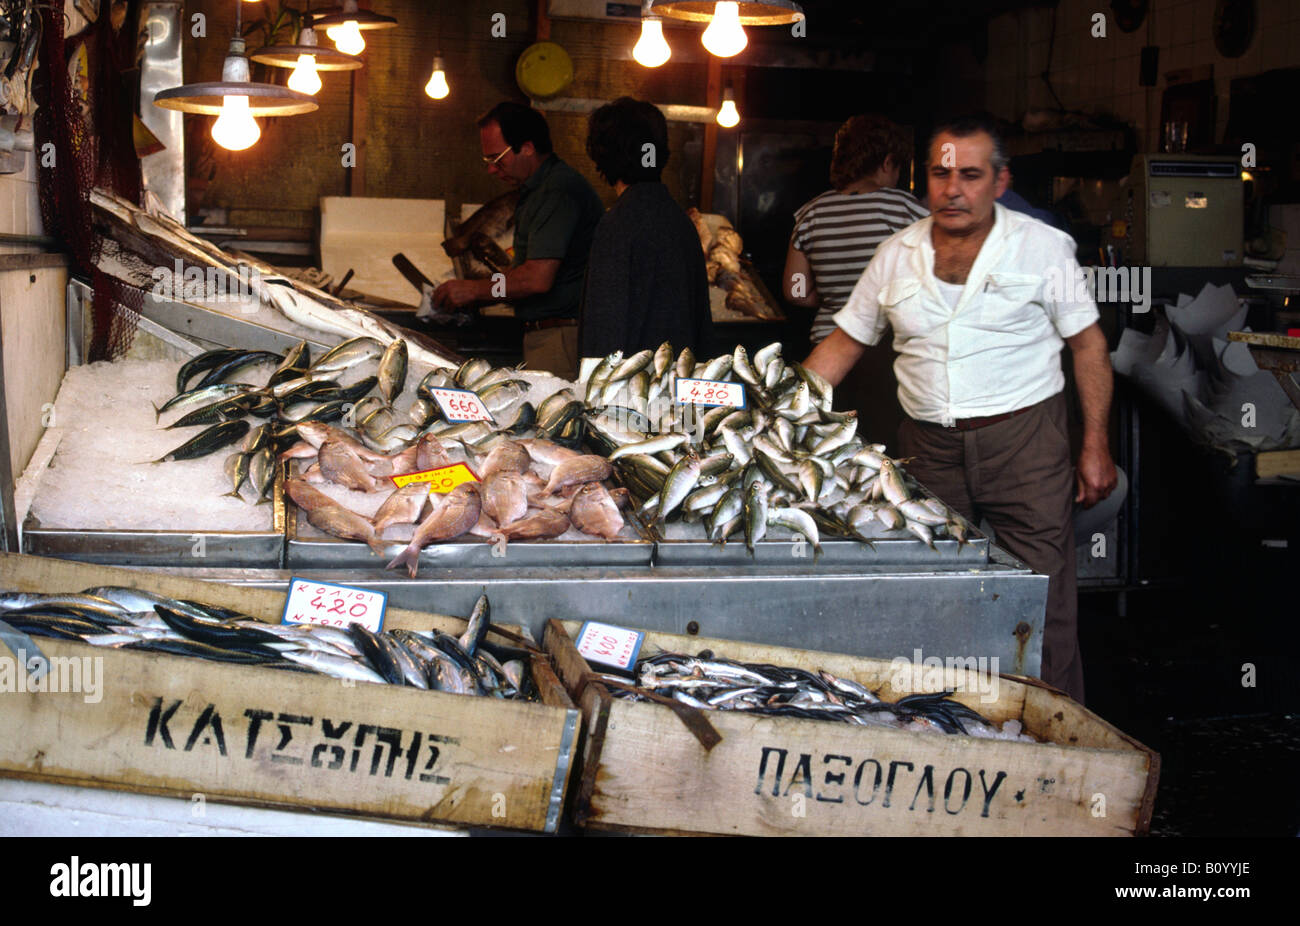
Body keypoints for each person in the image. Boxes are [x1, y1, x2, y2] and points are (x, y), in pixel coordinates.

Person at [804, 114, 1117, 703]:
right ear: (925, 180)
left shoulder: (1042, 247)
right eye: (941, 173)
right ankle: (955, 729)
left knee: (1040, 601)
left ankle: (1061, 742)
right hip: (928, 449)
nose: (954, 189)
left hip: (1024, 441)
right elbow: (844, 342)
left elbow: (1088, 345)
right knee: (939, 600)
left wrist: (1095, 444)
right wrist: (777, 411)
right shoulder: (895, 254)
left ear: (999, 182)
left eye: (970, 175)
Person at [432, 101, 604, 379]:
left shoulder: (557, 191)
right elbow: (521, 275)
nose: (491, 170)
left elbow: (536, 279)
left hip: (562, 339)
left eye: (496, 159)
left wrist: (473, 290)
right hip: (548, 335)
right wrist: (479, 294)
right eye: (487, 160)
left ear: (527, 147)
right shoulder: (536, 190)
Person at [580, 97, 712, 359]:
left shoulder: (619, 222)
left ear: (602, 154)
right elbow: (701, 323)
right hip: (678, 385)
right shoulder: (679, 220)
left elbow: (605, 325)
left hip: (632, 390)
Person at [784, 114, 929, 346]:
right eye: (897, 168)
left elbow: (796, 290)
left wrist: (834, 298)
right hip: (884, 347)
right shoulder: (904, 207)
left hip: (827, 343)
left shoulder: (811, 213)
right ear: (888, 163)